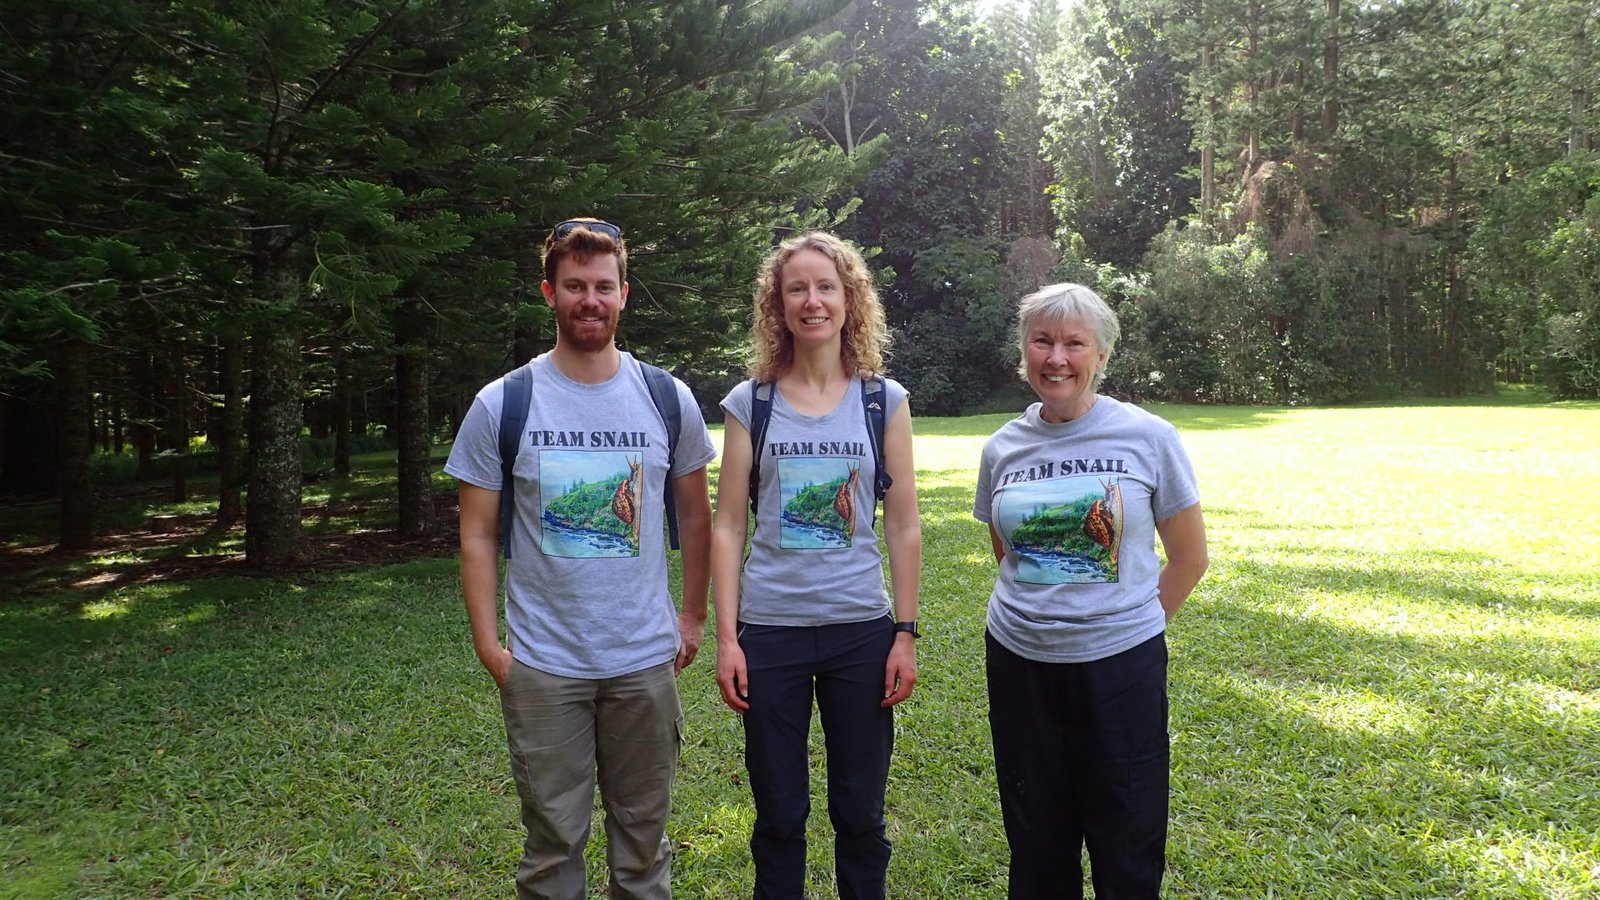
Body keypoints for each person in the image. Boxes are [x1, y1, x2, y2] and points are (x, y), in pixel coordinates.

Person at [445, 218, 715, 900]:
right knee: (552, 846)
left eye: (602, 286)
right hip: (543, 665)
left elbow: (694, 515)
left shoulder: (666, 398)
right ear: (549, 293)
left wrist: (691, 615)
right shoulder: (502, 403)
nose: (588, 300)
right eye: (574, 286)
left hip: (643, 660)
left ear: (624, 294)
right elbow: (477, 534)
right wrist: (488, 645)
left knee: (643, 846)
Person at [973, 283, 1208, 900]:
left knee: (1126, 836)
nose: (1057, 357)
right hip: (1019, 661)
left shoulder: (1149, 436)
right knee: (1036, 837)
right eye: (1043, 341)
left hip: (1121, 667)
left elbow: (1189, 558)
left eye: (1075, 343)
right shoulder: (1002, 448)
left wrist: (1128, 624)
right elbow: (1008, 552)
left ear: (1100, 356)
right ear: (1024, 351)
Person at [710, 231, 922, 900]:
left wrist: (904, 633)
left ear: (849, 299)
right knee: (779, 816)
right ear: (778, 304)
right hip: (769, 633)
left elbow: (905, 522)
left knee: (860, 815)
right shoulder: (752, 404)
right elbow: (727, 524)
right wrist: (726, 639)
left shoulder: (882, 401)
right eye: (796, 288)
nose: (812, 301)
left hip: (862, 631)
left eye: (825, 287)